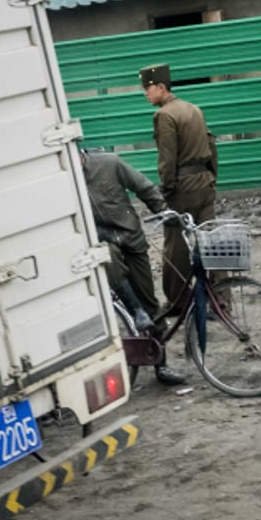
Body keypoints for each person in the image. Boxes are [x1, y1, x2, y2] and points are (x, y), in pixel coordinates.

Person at [80, 148, 186, 385]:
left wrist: (162, 210)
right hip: (103, 240)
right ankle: (134, 310)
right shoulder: (64, 180)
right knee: (109, 257)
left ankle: (161, 365)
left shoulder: (110, 163)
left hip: (132, 238)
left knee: (151, 303)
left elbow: (143, 186)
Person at [139, 63, 220, 314]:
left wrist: (165, 191)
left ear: (161, 88)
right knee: (211, 242)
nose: (145, 93)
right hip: (205, 184)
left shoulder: (164, 116)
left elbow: (167, 159)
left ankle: (177, 302)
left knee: (176, 248)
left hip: (182, 190)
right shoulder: (194, 109)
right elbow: (211, 144)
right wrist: (212, 176)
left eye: (148, 88)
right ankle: (221, 299)